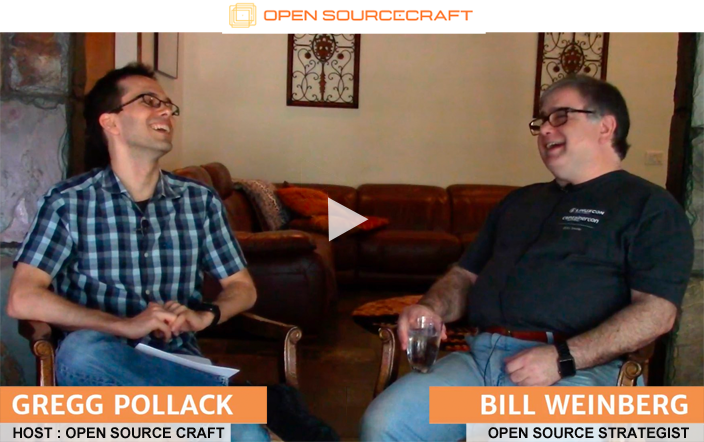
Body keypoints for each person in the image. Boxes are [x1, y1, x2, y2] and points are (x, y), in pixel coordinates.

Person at [360, 75, 694, 441]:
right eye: (541, 121)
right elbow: (464, 277)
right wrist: (430, 308)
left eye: (560, 116)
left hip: (578, 371)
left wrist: (563, 358)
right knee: (388, 424)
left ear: (606, 126)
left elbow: (657, 312)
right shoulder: (519, 202)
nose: (545, 129)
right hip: (480, 363)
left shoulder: (649, 206)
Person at [7, 63, 269, 441]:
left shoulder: (199, 202)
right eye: (149, 101)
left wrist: (205, 315)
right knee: (82, 350)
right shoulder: (68, 203)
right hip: (97, 370)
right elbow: (22, 298)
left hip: (175, 360)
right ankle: (224, 409)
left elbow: (242, 288)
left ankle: (217, 412)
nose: (166, 111)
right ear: (110, 122)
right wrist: (123, 326)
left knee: (231, 424)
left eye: (168, 105)